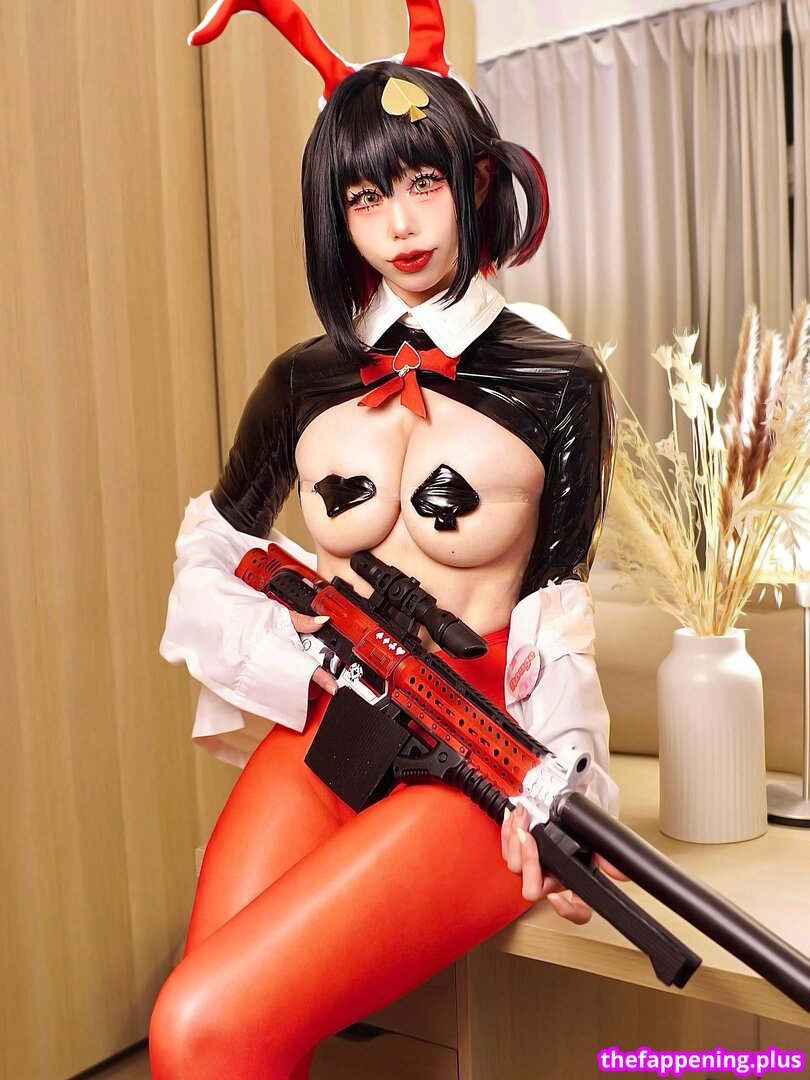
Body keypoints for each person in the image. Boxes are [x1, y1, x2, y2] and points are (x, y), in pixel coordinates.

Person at [149, 3, 621, 1076]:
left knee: (202, 1024)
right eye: (367, 198)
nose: (400, 224)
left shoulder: (558, 380)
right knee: (197, 1020)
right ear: (337, 216)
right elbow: (213, 547)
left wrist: (568, 782)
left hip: (475, 749)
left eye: (423, 183)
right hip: (338, 719)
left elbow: (557, 608)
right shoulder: (301, 381)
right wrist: (293, 650)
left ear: (476, 182)